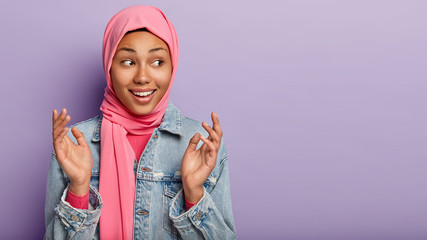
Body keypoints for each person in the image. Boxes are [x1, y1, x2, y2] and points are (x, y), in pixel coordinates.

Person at [44, 5, 236, 240]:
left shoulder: (203, 143)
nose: (143, 77)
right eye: (128, 62)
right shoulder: (72, 144)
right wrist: (79, 188)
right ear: (109, 66)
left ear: (172, 66)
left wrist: (194, 193)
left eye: (157, 62)